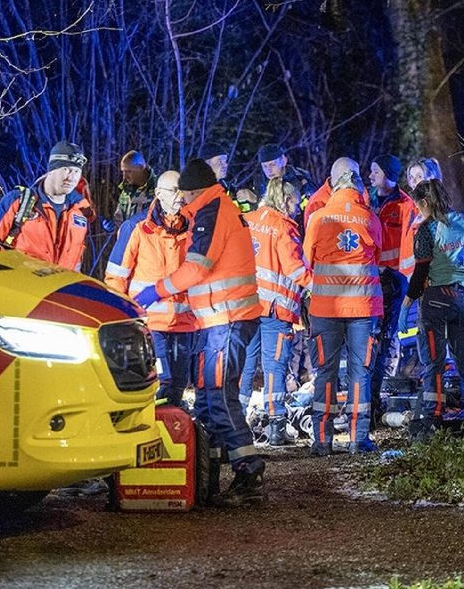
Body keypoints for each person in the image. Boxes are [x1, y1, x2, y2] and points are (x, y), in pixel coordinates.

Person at [132, 159, 266, 507]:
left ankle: (249, 472)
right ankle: (208, 475)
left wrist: (154, 292)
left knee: (218, 395)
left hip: (227, 319)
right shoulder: (215, 208)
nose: (182, 203)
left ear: (193, 192)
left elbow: (196, 268)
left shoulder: (211, 211)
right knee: (207, 398)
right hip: (217, 321)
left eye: (185, 195)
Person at [304, 157, 383, 455]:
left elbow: (308, 261)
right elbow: (377, 257)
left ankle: (321, 440)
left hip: (326, 309)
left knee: (325, 371)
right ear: (357, 181)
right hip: (363, 307)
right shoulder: (370, 218)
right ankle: (357, 439)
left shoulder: (318, 217)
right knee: (360, 372)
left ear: (332, 181)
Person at [105, 170, 194, 407]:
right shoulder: (135, 227)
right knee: (162, 381)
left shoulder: (193, 228)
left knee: (179, 383)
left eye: (183, 190)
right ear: (158, 193)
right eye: (174, 190)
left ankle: (173, 426)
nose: (180, 196)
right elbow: (116, 277)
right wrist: (120, 319)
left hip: (184, 322)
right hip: (149, 323)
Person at [400, 179, 464, 441]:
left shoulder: (427, 229)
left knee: (434, 362)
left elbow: (420, 272)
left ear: (424, 203)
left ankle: (432, 420)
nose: (418, 211)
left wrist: (406, 305)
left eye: (418, 206)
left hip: (436, 299)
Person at [240, 177, 313, 446]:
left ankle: (235, 423)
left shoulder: (246, 220)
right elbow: (295, 269)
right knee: (275, 368)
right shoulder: (284, 227)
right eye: (296, 202)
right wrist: (322, 287)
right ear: (284, 200)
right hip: (275, 310)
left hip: (246, 307)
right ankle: (277, 427)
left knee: (245, 365)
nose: (298, 208)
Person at [0, 140, 91, 271]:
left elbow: (76, 263)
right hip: (18, 281)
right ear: (51, 170)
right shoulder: (19, 201)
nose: (71, 177)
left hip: (58, 283)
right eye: (66, 169)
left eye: (76, 171)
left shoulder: (79, 214)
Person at [367, 154, 416, 426]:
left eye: (375, 171)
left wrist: (402, 283)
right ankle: (366, 401)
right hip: (367, 280)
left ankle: (376, 401)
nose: (370, 176)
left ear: (388, 174)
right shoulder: (365, 200)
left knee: (385, 342)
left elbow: (408, 251)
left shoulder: (405, 206)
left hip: (392, 284)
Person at [399, 157, 443, 278]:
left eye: (418, 176)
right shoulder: (411, 209)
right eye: (411, 177)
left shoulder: (437, 209)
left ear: (432, 177)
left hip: (428, 279)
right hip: (410, 278)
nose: (413, 181)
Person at [256, 143, 315, 218]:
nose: (269, 170)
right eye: (265, 166)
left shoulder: (300, 183)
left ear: (284, 161)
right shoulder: (261, 183)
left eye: (273, 164)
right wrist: (254, 200)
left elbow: (311, 209)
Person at [198, 143, 257, 213]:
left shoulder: (229, 189)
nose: (225, 164)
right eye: (220, 161)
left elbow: (244, 214)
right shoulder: (194, 192)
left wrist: (253, 200)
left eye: (225, 161)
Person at [113, 150, 156, 229]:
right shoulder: (126, 190)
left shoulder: (158, 188)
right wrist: (112, 227)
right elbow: (119, 221)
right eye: (123, 172)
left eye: (128, 171)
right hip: (128, 236)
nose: (124, 177)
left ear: (140, 168)